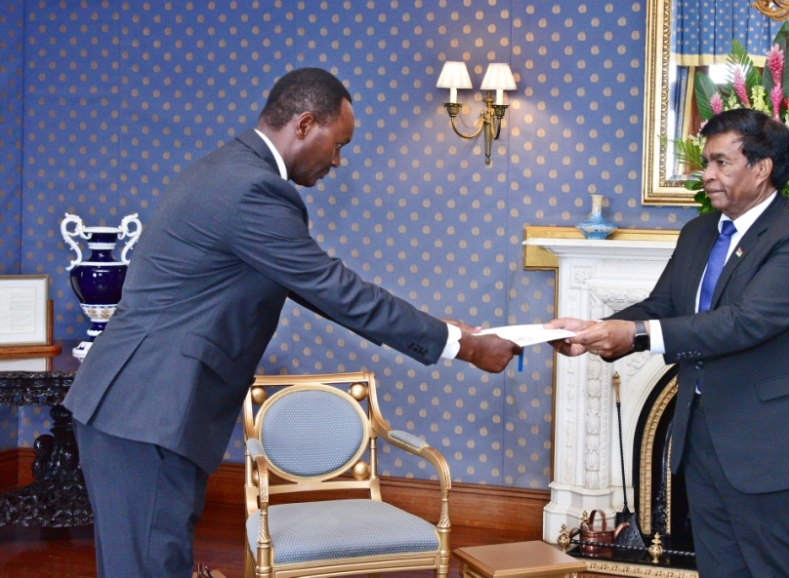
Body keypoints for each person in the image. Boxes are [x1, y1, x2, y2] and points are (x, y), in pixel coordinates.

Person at [63, 68, 522, 578]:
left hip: (138, 409)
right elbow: (335, 288)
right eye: (338, 143)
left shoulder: (230, 170)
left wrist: (438, 327)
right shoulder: (253, 190)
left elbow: (319, 290)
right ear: (305, 124)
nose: (338, 160)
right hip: (148, 410)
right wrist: (461, 345)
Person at [548, 108, 789, 577]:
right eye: (705, 163)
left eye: (720, 163)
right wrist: (593, 330)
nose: (706, 175)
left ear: (761, 169)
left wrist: (636, 335)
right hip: (704, 437)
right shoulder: (699, 232)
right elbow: (664, 305)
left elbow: (745, 322)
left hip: (778, 446)